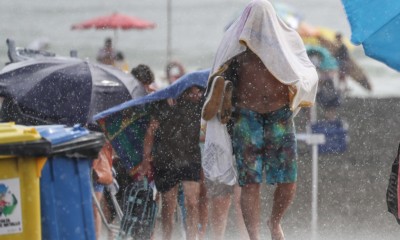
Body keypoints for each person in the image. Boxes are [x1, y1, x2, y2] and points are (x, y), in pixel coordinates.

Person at [201, 1, 318, 239]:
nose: (258, 24)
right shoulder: (235, 46)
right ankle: (254, 236)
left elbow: (305, 68)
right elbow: (217, 74)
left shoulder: (285, 40)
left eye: (262, 19)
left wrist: (302, 89)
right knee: (249, 181)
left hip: (279, 114)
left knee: (288, 180)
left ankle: (274, 223)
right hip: (246, 115)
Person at [138, 85, 205, 240]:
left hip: (191, 158)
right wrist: (146, 159)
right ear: (183, 92)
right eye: (191, 92)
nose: (196, 95)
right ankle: (167, 237)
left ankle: (191, 237)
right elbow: (150, 132)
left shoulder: (200, 105)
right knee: (168, 206)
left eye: (199, 92)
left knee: (192, 203)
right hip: (165, 159)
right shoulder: (161, 105)